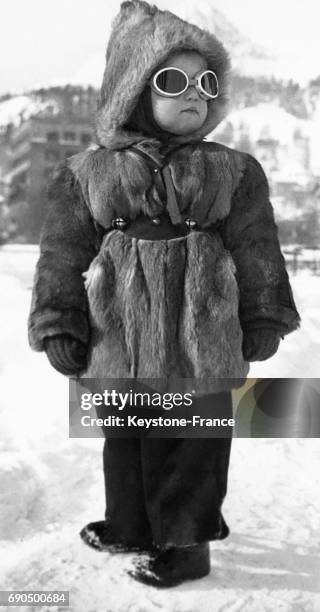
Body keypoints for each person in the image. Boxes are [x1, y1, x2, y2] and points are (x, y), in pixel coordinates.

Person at [28, 0, 301, 588]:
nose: (194, 94)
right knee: (124, 431)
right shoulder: (87, 172)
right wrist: (59, 321)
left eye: (206, 82)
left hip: (202, 327)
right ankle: (129, 522)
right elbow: (62, 251)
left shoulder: (234, 170)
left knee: (194, 437)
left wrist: (264, 314)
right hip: (116, 327)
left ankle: (187, 543)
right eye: (173, 80)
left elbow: (256, 245)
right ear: (133, 89)